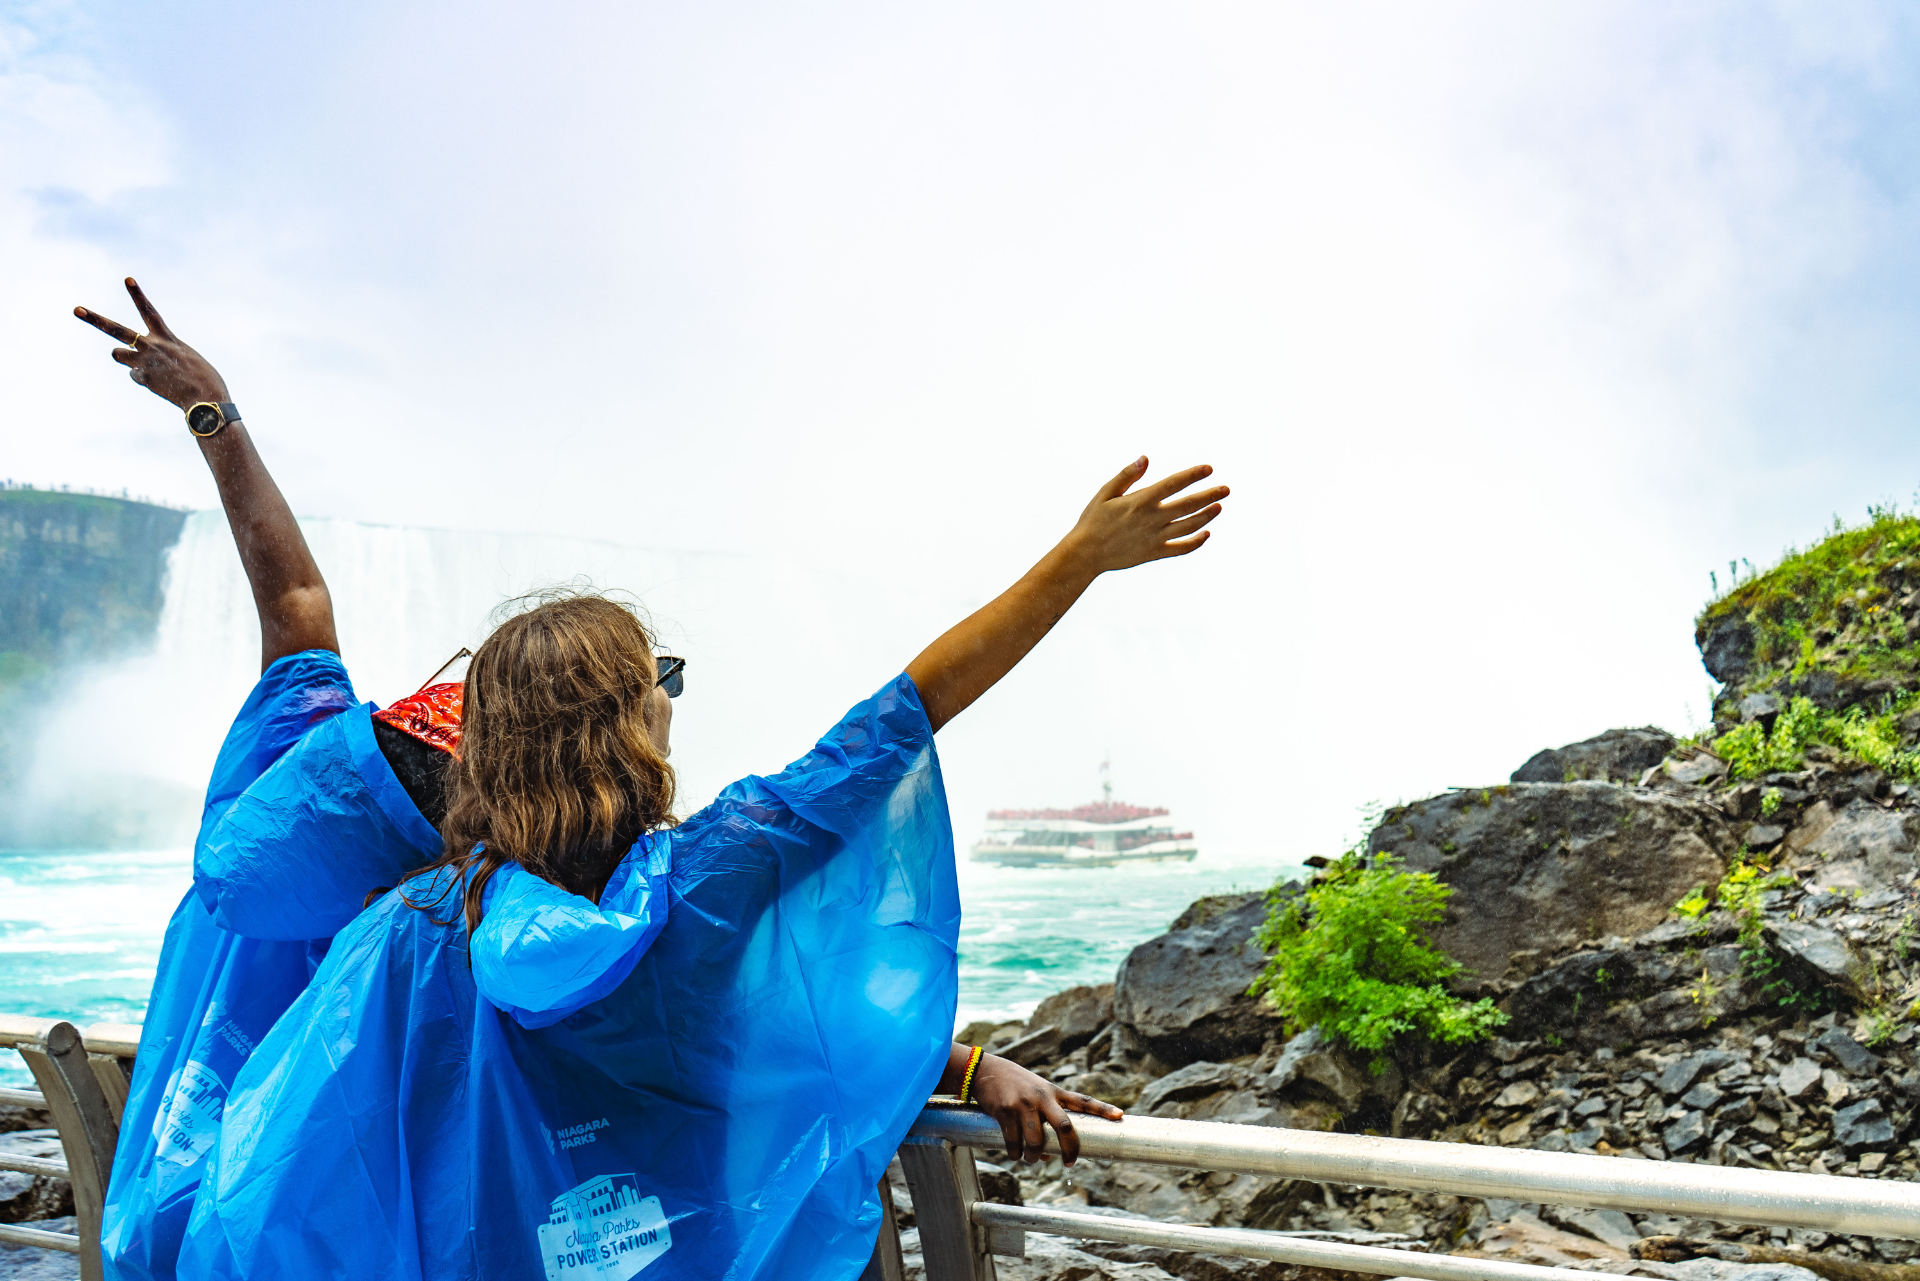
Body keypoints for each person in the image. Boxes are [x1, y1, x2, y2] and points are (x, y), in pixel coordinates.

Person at [174, 441, 1226, 1277]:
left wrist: (961, 1064)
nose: (672, 700)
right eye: (660, 680)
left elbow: (292, 1161)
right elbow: (910, 709)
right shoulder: (718, 872)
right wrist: (1079, 558)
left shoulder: (407, 931)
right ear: (627, 724)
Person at [72, 281, 457, 1280]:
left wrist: (214, 414)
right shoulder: (434, 918)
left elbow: (292, 597)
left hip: (153, 1230)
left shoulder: (272, 784)